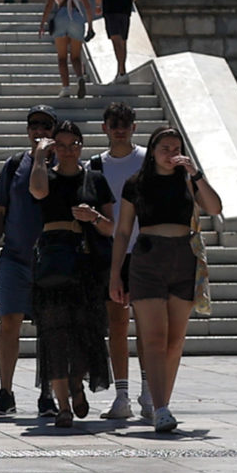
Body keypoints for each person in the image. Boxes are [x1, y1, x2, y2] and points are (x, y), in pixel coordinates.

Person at [109, 125, 224, 433]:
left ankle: (163, 404)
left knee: (175, 340)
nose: (171, 154)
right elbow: (122, 232)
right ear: (153, 151)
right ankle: (160, 407)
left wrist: (196, 174)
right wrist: (115, 275)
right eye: (165, 148)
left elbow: (214, 207)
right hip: (148, 258)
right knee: (154, 338)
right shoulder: (136, 183)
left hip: (182, 258)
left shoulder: (187, 181)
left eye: (176, 148)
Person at [28, 116, 115, 430]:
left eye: (72, 145)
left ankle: (77, 385)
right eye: (60, 145)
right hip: (52, 259)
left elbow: (110, 227)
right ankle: (62, 405)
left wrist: (92, 217)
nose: (67, 151)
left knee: (83, 333)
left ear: (81, 146)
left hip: (85, 261)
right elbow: (37, 192)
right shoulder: (45, 176)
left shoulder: (95, 179)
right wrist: (40, 155)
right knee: (53, 337)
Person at [0, 107, 59, 418]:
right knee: (8, 323)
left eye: (45, 125)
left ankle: (47, 393)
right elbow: (0, 211)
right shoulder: (15, 164)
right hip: (15, 256)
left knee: (50, 328)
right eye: (33, 125)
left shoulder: (63, 165)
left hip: (50, 259)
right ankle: (6, 392)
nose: (38, 130)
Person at [91, 100, 147, 422]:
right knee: (117, 325)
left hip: (145, 252)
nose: (120, 128)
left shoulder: (147, 161)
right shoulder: (95, 165)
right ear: (105, 128)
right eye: (114, 122)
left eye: (125, 122)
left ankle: (149, 394)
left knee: (147, 325)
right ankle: (122, 396)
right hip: (111, 254)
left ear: (134, 127)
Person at [43, 0, 93, 99]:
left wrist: (43, 23)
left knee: (62, 57)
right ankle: (79, 78)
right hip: (77, 18)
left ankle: (66, 88)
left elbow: (49, 6)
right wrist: (90, 26)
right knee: (76, 57)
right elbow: (88, 8)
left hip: (61, 18)